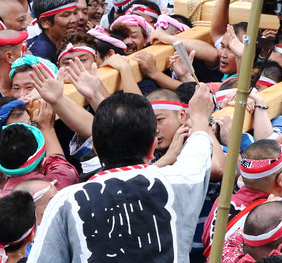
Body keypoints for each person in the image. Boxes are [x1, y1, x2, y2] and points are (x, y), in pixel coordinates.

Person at [27, 87, 216, 262]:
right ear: (152, 147)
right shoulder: (177, 182)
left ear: (95, 149)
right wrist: (199, 117)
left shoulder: (66, 202)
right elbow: (197, 153)